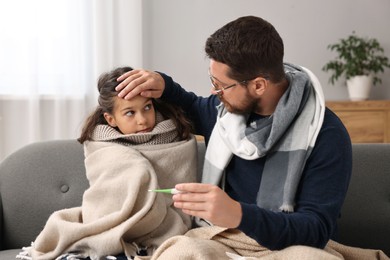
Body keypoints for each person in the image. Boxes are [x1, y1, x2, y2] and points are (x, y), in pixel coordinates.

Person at [113, 16, 363, 259]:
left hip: (290, 247)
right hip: (222, 238)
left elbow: (315, 229)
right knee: (182, 252)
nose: (214, 91)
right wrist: (163, 84)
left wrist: (238, 214)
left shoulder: (325, 134)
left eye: (221, 85)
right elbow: (191, 105)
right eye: (213, 81)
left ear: (258, 86)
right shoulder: (224, 113)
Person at [18, 67, 198, 260]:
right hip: (112, 229)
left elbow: (182, 200)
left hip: (166, 231)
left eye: (147, 107)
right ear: (111, 119)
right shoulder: (100, 147)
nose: (143, 120)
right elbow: (104, 204)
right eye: (130, 113)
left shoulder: (177, 140)